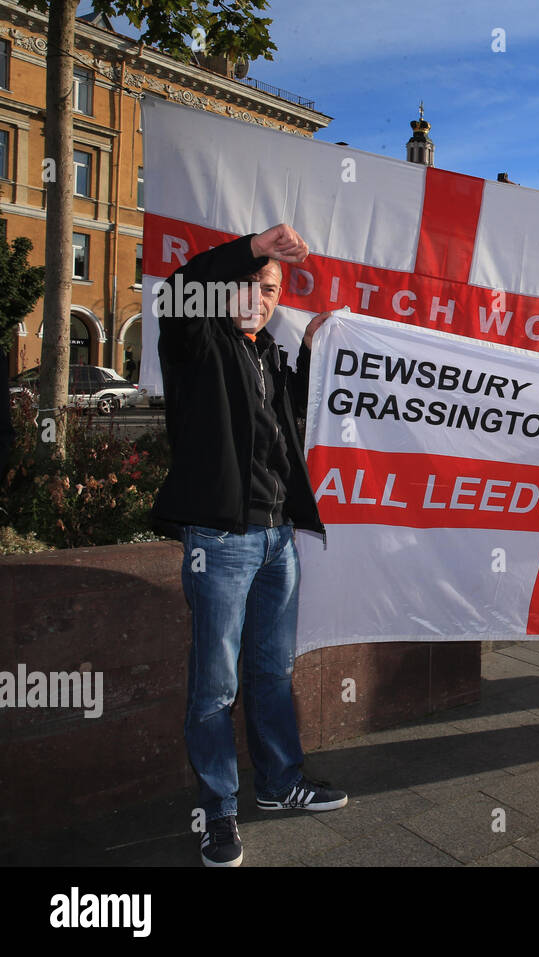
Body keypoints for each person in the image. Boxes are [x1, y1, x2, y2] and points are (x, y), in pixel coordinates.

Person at [153, 223, 344, 867]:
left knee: (271, 674)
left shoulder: (267, 355)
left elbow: (285, 425)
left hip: (275, 543)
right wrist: (255, 247)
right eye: (251, 286)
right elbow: (178, 294)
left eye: (270, 291)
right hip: (220, 544)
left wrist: (312, 350)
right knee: (214, 688)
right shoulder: (196, 340)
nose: (261, 298)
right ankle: (218, 813)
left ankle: (282, 784)